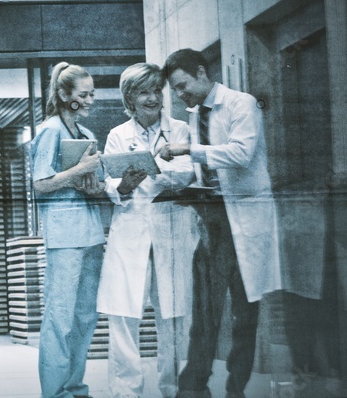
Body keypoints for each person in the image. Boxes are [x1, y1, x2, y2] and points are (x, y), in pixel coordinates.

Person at [157, 48, 282, 398]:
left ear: (201, 72)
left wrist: (188, 151)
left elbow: (240, 154)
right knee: (205, 309)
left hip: (245, 219)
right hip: (213, 220)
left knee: (245, 312)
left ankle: (235, 388)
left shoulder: (242, 104)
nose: (181, 95)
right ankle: (193, 388)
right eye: (176, 91)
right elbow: (204, 169)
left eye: (183, 86)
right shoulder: (198, 115)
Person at [96, 63, 202, 398]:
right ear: (130, 98)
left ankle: (174, 388)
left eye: (157, 90)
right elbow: (111, 186)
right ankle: (126, 391)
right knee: (124, 316)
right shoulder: (117, 135)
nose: (153, 98)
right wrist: (124, 186)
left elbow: (187, 174)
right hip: (131, 232)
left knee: (173, 315)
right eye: (144, 91)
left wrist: (153, 169)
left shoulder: (181, 130)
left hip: (172, 231)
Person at [31, 62, 105, 398]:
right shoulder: (50, 130)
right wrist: (80, 170)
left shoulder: (87, 136)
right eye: (83, 94)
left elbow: (89, 183)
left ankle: (76, 387)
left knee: (85, 318)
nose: (90, 100)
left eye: (92, 94)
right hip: (64, 238)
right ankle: (55, 392)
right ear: (64, 95)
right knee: (60, 318)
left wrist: (95, 183)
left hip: (90, 234)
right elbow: (41, 184)